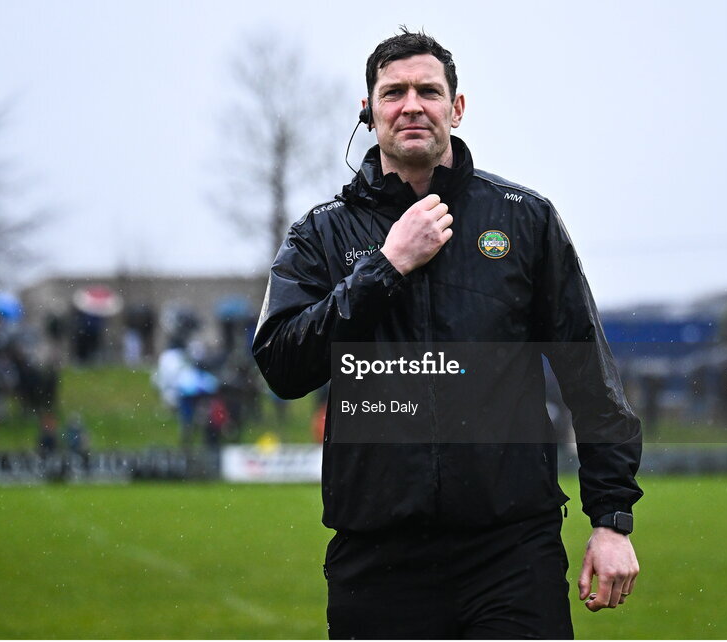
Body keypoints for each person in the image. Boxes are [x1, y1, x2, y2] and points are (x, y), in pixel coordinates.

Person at [253, 28, 642, 639]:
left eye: (428, 91)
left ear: (456, 108)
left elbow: (589, 378)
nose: (412, 105)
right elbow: (281, 364)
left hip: (511, 551)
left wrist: (611, 518)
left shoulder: (524, 219)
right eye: (393, 92)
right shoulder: (320, 235)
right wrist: (385, 267)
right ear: (369, 108)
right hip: (379, 558)